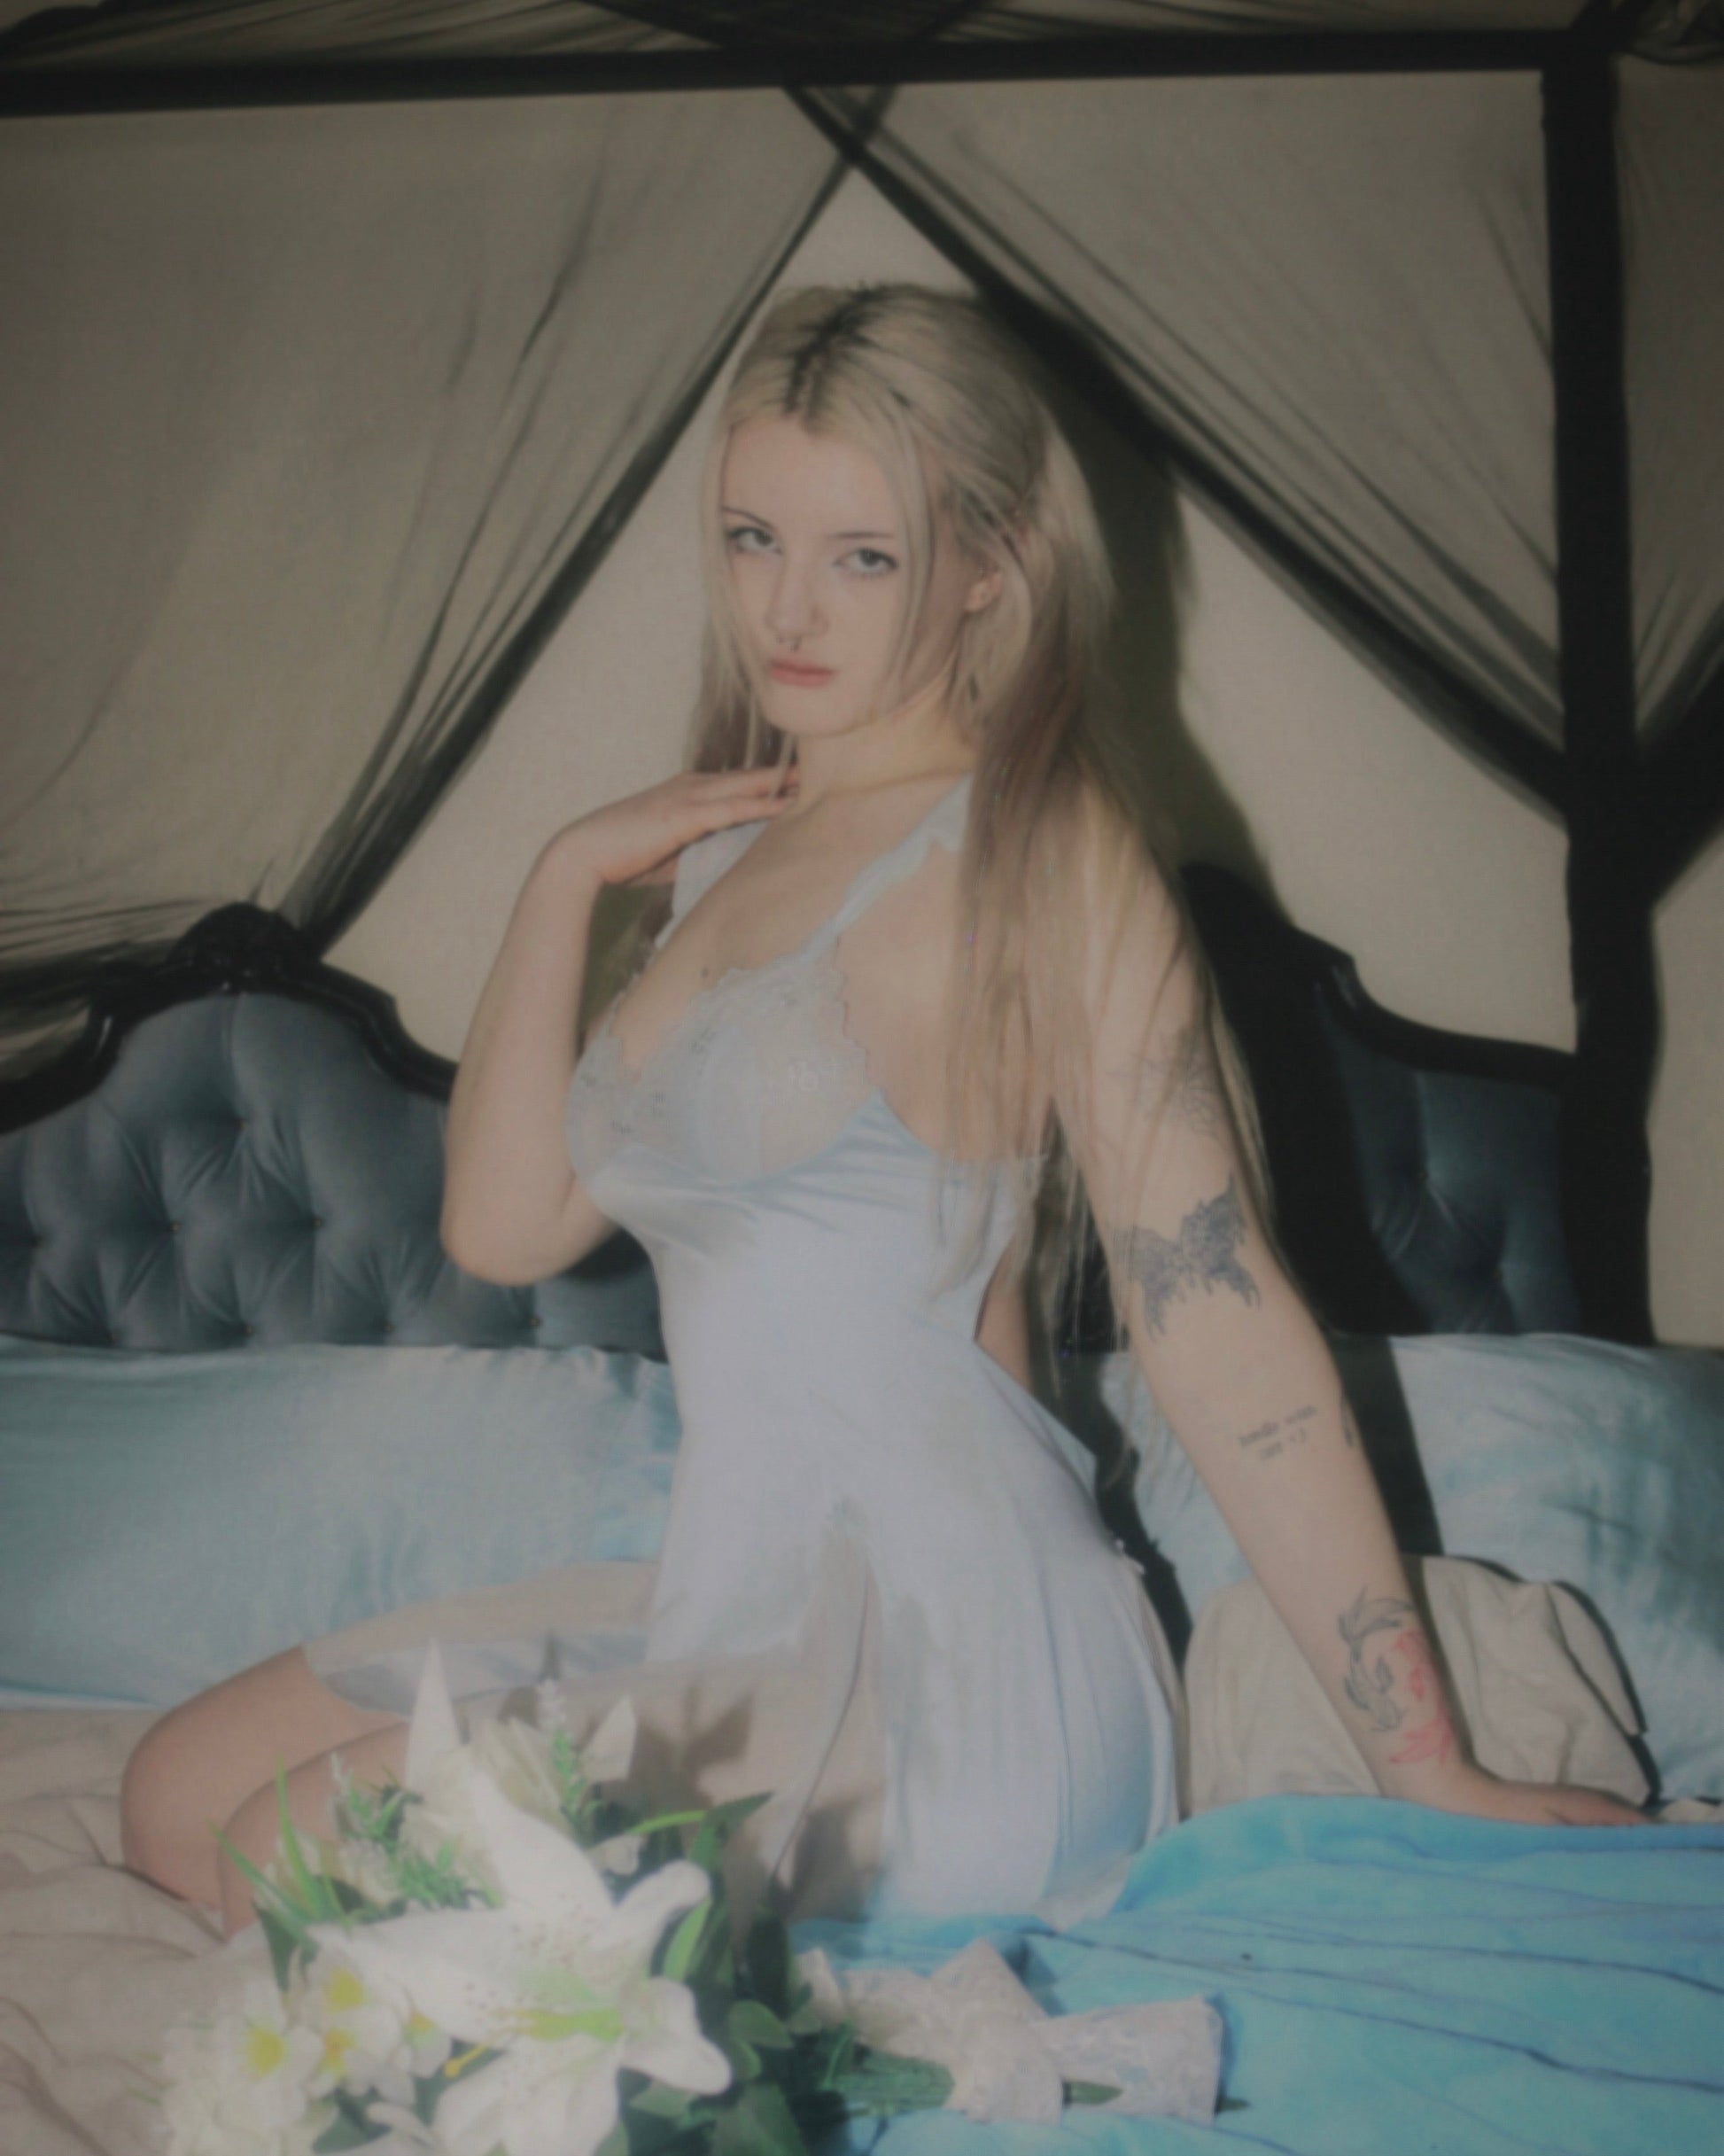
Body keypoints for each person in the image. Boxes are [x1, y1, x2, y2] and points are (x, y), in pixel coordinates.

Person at [120, 284, 1635, 1939]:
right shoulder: (719, 856)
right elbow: (500, 1223)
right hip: (740, 1607)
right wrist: (561, 876)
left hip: (959, 1668)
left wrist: (1427, 1760)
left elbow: (1220, 1323)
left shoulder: (1038, 845)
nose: (788, 607)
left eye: (862, 554)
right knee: (175, 1793)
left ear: (987, 561)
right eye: (752, 537)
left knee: (291, 1848)